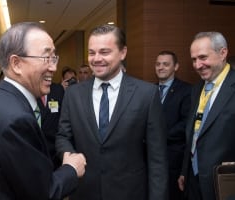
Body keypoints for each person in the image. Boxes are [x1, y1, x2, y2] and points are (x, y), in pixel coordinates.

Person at [0, 22, 86, 200]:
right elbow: (43, 193)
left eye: (54, 58)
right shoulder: (16, 119)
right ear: (16, 63)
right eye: (45, 58)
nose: (53, 68)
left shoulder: (0, 100)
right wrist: (71, 169)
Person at [56, 24, 168, 200]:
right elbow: (63, 136)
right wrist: (70, 156)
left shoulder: (146, 94)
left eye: (104, 52)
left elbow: (158, 158)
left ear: (123, 53)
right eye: (92, 53)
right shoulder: (73, 94)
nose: (96, 58)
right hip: (84, 191)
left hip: (130, 193)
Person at [178, 31, 235, 200]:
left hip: (224, 184)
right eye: (194, 59)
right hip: (193, 181)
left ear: (222, 53)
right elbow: (195, 134)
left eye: (202, 57)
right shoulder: (196, 89)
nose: (197, 65)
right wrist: (184, 171)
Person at [155, 50, 191, 200]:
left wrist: (158, 136)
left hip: (173, 156)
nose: (160, 67)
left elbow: (186, 123)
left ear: (175, 67)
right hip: (150, 156)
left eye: (165, 64)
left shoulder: (187, 90)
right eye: (157, 64)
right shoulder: (148, 90)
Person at [38, 82, 65, 168]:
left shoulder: (58, 90)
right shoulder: (28, 90)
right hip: (36, 149)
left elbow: (64, 117)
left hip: (55, 151)